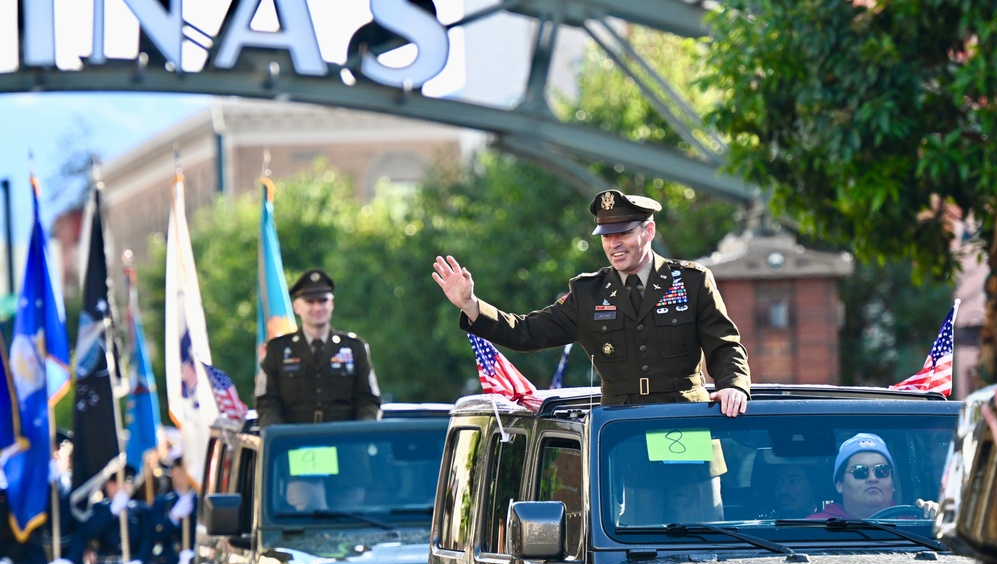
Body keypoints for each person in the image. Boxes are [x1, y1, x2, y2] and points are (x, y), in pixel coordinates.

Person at [432, 189, 751, 415]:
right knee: (630, 512)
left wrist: (734, 384)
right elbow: (526, 332)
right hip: (620, 431)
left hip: (684, 421)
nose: (614, 244)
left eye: (623, 233)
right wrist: (471, 304)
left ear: (648, 230)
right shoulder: (588, 293)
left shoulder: (692, 281)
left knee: (694, 508)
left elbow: (724, 345)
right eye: (607, 236)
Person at [255, 268, 382, 426]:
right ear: (296, 307)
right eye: (310, 301)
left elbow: (369, 401)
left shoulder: (354, 349)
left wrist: (360, 433)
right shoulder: (277, 350)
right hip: (295, 444)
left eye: (322, 301)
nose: (317, 307)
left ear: (332, 304)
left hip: (344, 443)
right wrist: (278, 436)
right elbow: (266, 402)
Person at [808, 433, 937, 519]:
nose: (873, 478)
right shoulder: (813, 527)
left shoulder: (917, 523)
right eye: (860, 471)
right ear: (839, 485)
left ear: (893, 484)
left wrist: (940, 517)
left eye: (881, 471)